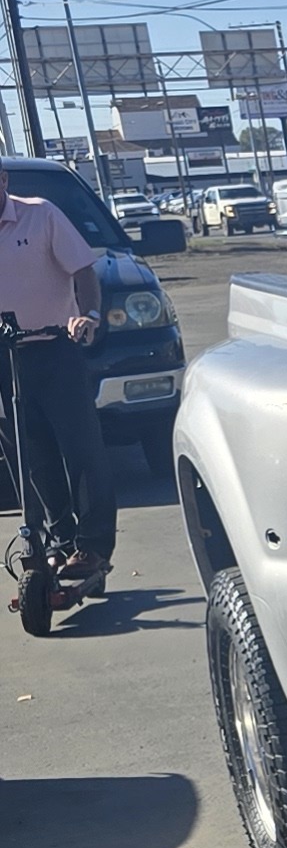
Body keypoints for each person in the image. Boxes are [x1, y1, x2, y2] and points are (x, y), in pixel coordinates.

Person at [0, 178, 112, 599]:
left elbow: (83, 270)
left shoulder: (41, 214)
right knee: (29, 455)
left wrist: (89, 315)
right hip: (5, 357)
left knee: (80, 449)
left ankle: (93, 545)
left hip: (55, 348)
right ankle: (59, 540)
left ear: (3, 180)